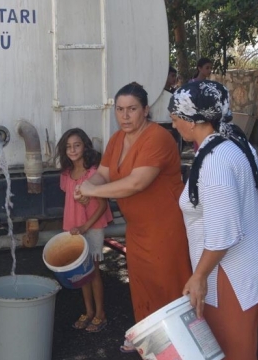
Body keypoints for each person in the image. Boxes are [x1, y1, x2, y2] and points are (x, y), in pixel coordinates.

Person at [169, 80, 258, 359]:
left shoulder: (216, 160)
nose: (173, 125)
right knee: (243, 345)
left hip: (230, 271)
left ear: (193, 119)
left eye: (175, 119)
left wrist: (199, 276)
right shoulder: (234, 140)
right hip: (250, 263)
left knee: (233, 350)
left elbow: (224, 235)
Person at [75, 82, 191, 353]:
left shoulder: (158, 137)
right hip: (138, 229)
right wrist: (87, 187)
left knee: (169, 291)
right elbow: (103, 173)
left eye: (132, 109)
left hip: (166, 230)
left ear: (146, 110)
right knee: (143, 290)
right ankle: (154, 349)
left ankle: (182, 351)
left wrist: (93, 189)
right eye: (119, 110)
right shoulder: (117, 139)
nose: (125, 116)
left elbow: (136, 183)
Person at [56, 128, 113, 333]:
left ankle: (100, 313)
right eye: (68, 146)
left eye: (77, 145)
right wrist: (77, 227)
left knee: (93, 271)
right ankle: (89, 312)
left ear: (85, 146)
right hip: (74, 228)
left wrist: (85, 227)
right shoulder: (66, 174)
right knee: (81, 272)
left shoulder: (93, 173)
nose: (72, 150)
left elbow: (101, 205)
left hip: (91, 227)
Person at [152, 66, 183, 153]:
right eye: (172, 76)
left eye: (175, 76)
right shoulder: (154, 93)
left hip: (172, 125)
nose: (174, 79)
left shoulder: (175, 93)